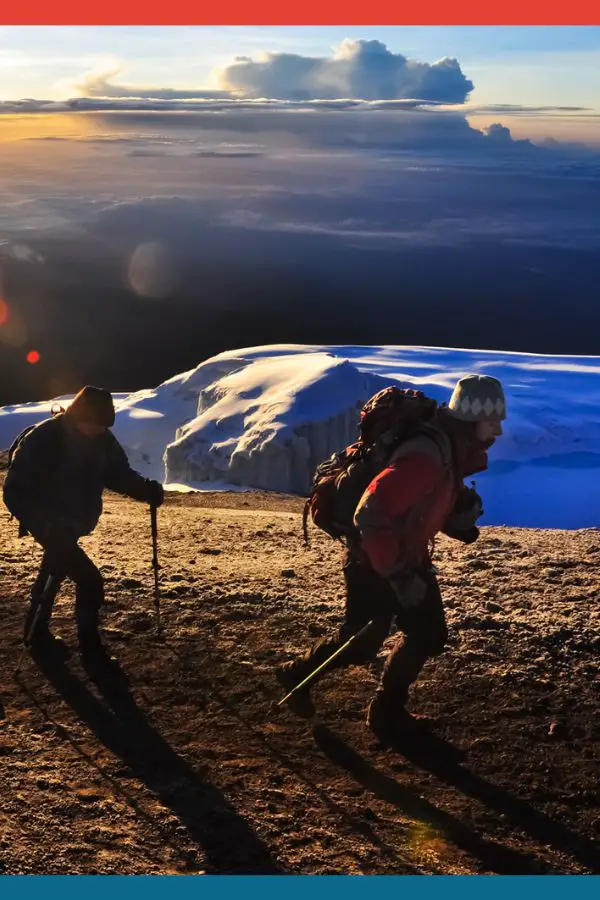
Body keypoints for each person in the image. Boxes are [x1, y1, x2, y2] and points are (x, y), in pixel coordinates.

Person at [276, 374, 506, 742]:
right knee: (362, 640)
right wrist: (400, 577)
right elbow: (373, 514)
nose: (498, 430)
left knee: (426, 632)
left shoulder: (445, 445)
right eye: (492, 421)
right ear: (470, 420)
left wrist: (456, 511)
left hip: (402, 554)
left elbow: (421, 498)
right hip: (375, 558)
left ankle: (387, 711)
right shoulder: (427, 455)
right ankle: (297, 674)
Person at [3, 385, 164, 659]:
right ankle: (89, 644)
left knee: (54, 569)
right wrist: (45, 526)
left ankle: (37, 633)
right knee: (89, 580)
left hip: (73, 521)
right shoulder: (45, 438)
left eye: (104, 425)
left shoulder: (102, 439)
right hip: (50, 524)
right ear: (78, 416)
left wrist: (145, 490)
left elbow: (117, 473)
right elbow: (15, 491)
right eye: (95, 424)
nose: (100, 431)